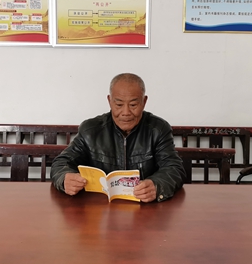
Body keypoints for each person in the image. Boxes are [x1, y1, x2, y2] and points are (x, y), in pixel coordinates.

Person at [51, 73, 186, 202]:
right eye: (119, 105)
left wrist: (157, 185)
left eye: (133, 105)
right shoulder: (90, 130)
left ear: (144, 102)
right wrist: (65, 178)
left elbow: (174, 168)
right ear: (110, 101)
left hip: (145, 207)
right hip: (100, 208)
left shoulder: (158, 129)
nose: (126, 112)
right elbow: (61, 163)